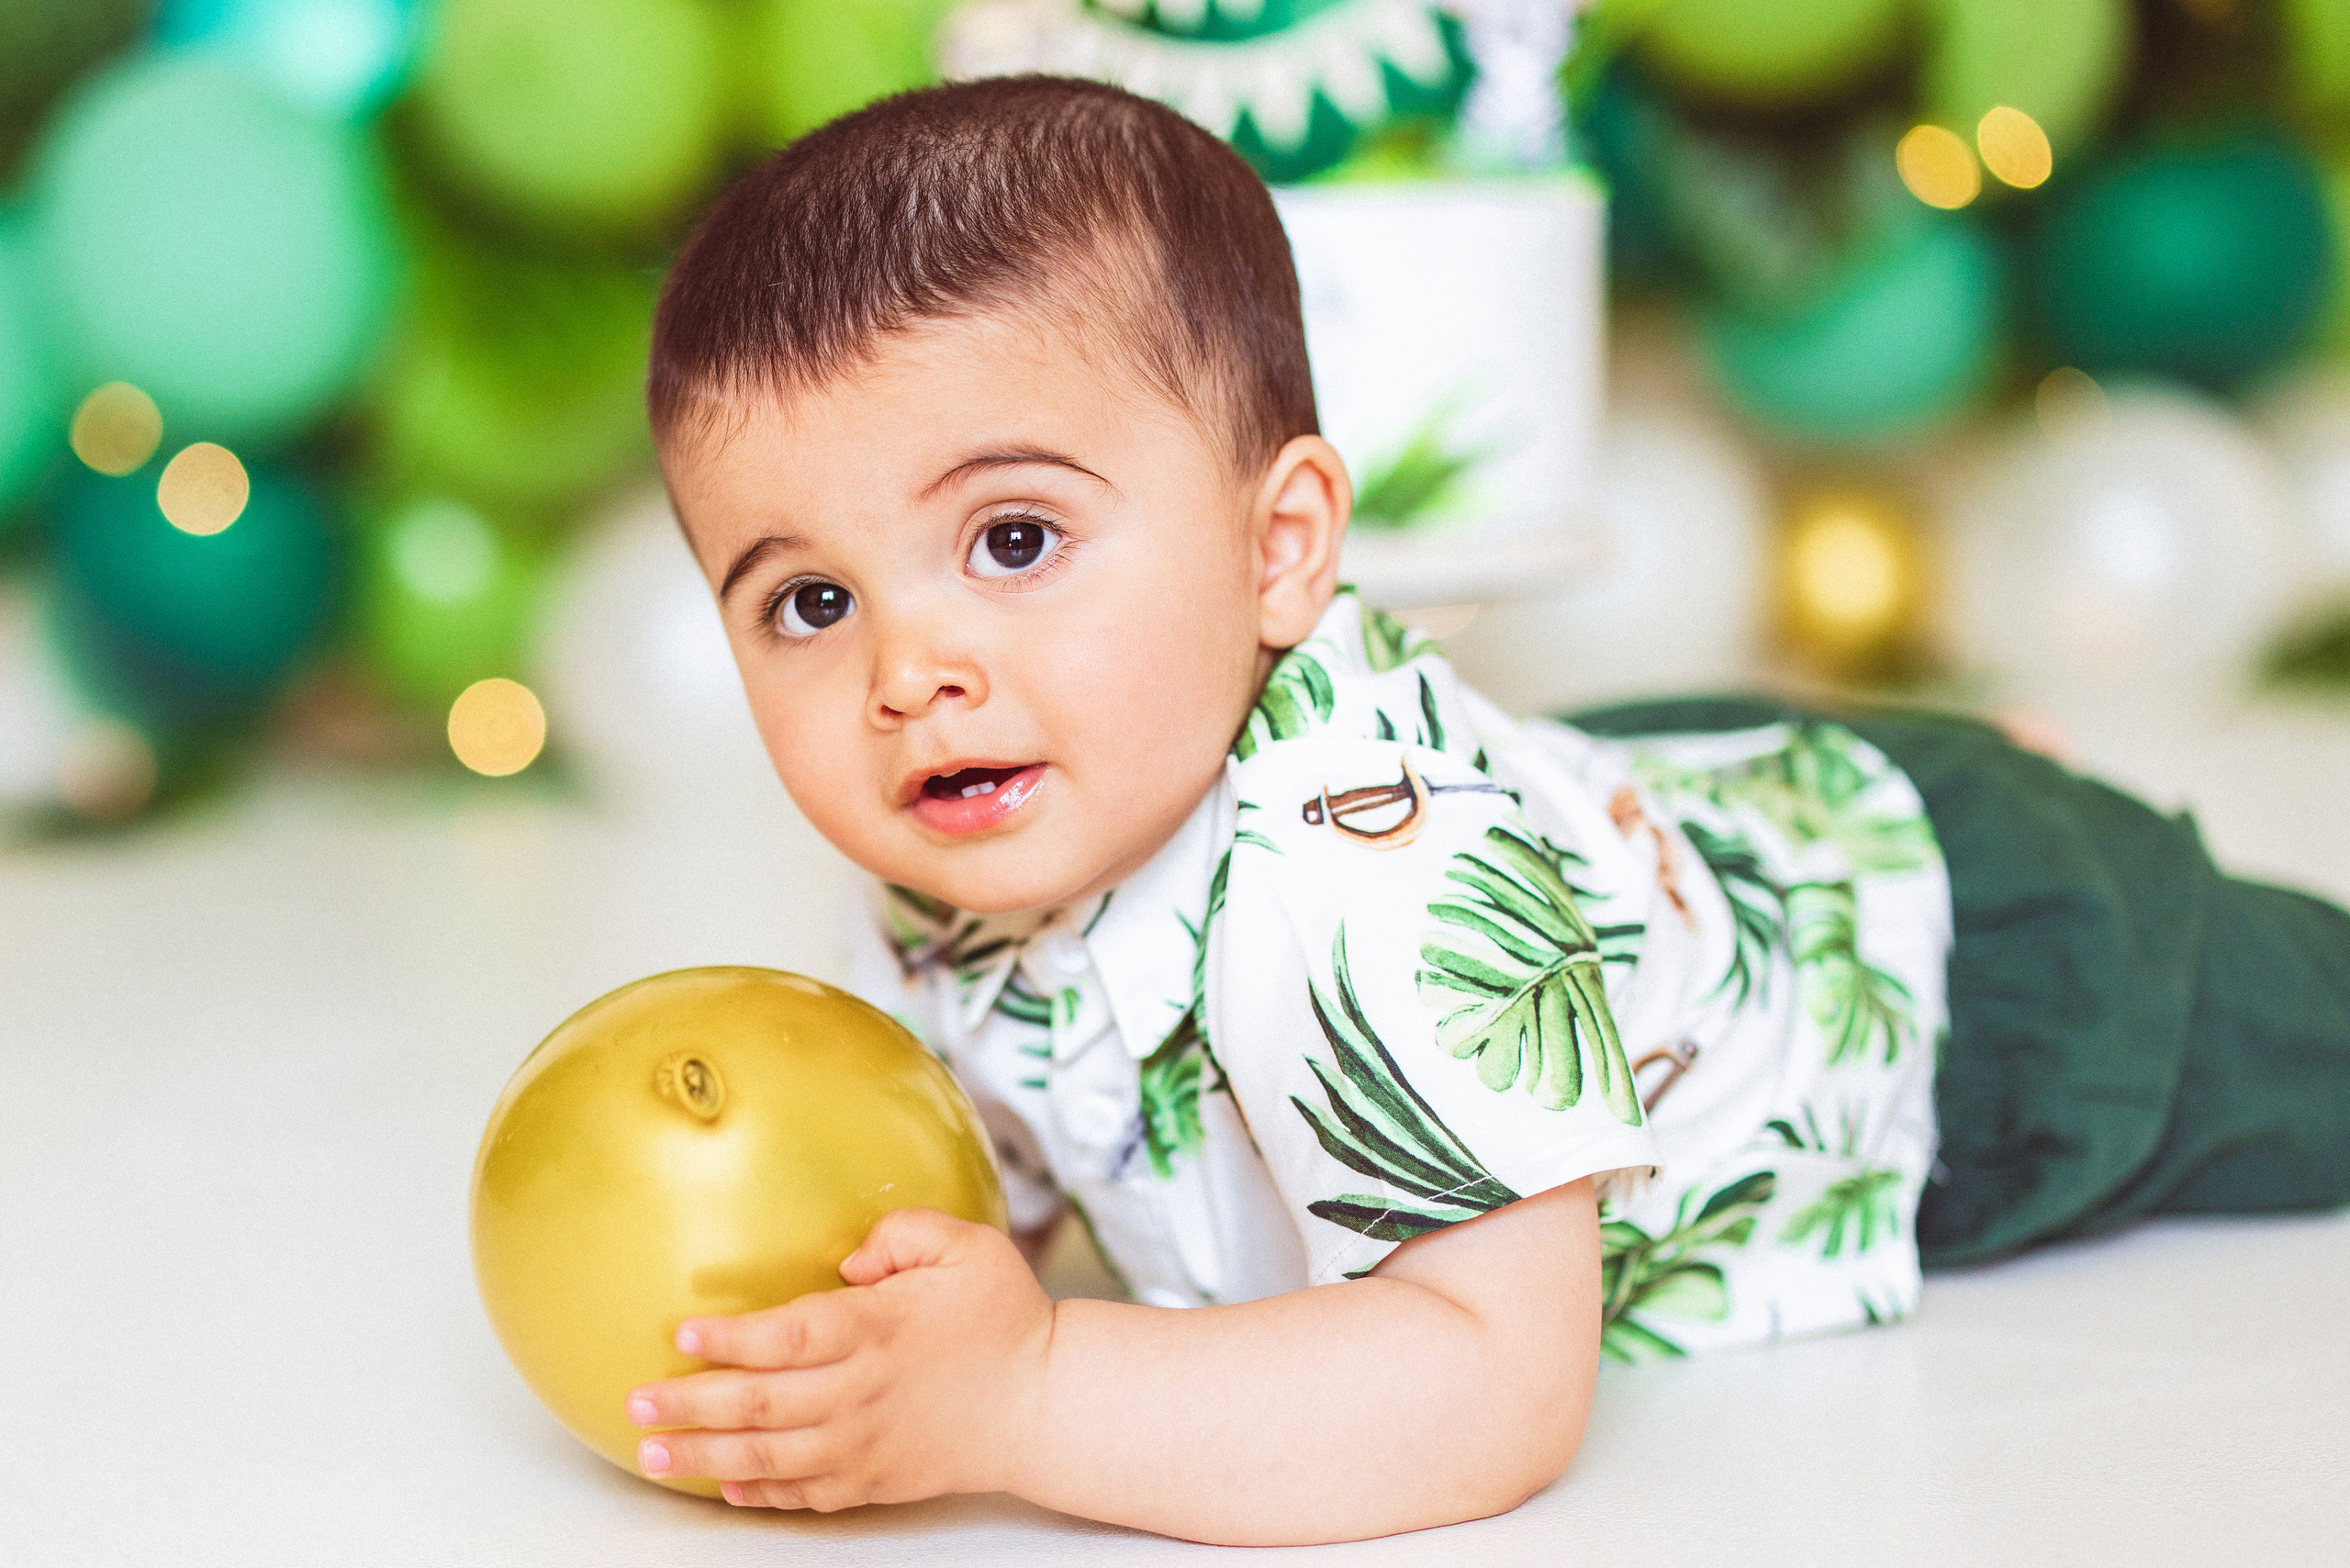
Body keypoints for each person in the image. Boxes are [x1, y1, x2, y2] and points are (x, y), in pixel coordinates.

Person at [614, 76, 2350, 1545]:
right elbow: (1011, 1142)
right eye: (809, 604)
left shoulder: (1380, 894)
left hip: (1965, 979)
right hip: (1628, 814)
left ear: (1277, 547)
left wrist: (1024, 1391)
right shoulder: (959, 836)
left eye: (1014, 540)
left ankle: (1998, 798)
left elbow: (1493, 1384)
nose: (907, 670)